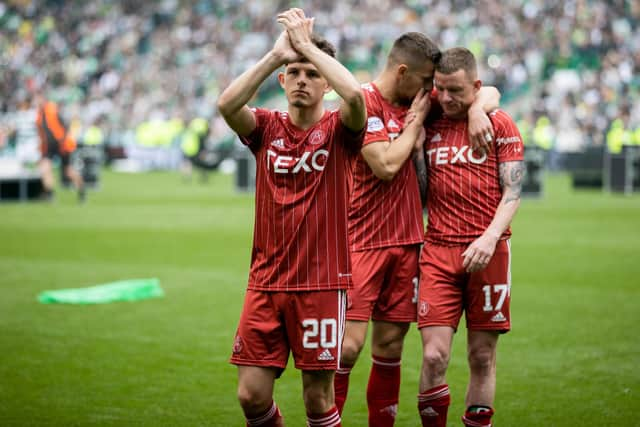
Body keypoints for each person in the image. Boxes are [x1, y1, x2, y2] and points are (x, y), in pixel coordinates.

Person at [334, 33, 501, 426]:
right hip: (361, 242)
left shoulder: (420, 103)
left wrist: (478, 111)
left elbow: (488, 90)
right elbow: (387, 166)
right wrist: (413, 130)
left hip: (408, 244)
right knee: (346, 349)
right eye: (428, 81)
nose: (434, 91)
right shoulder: (363, 102)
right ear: (403, 71)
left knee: (390, 348)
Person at [217, 8, 366, 427]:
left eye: (312, 74)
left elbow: (355, 97)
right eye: (295, 73)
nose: (302, 80)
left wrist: (307, 49)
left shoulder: (341, 131)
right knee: (251, 395)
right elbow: (227, 104)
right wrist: (277, 56)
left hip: (319, 284)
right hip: (264, 282)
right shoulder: (266, 127)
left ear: (325, 83)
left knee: (317, 399)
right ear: (282, 81)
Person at [412, 47, 525, 427]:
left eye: (456, 91)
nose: (446, 98)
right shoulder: (431, 118)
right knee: (433, 357)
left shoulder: (502, 124)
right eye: (440, 89)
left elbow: (512, 193)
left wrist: (490, 238)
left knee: (481, 357)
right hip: (439, 252)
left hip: (490, 253)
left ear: (476, 86)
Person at [35, 93, 85, 202]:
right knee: (45, 168)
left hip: (62, 144)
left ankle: (81, 188)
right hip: (49, 146)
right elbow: (42, 132)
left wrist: (64, 139)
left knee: (68, 171)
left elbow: (63, 124)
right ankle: (49, 194)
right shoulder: (39, 114)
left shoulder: (52, 109)